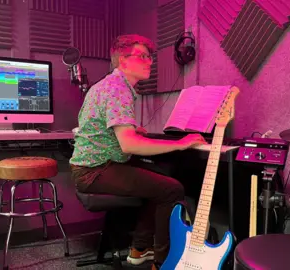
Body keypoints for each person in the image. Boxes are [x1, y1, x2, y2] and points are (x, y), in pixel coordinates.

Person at [69, 34, 206, 269]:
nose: (150, 62)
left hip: (98, 164)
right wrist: (181, 143)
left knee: (162, 176)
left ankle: (140, 248)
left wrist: (132, 129)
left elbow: (103, 125)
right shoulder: (117, 89)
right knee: (172, 189)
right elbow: (129, 145)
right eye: (142, 56)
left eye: (149, 57)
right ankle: (163, 263)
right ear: (123, 61)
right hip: (94, 171)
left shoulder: (107, 85)